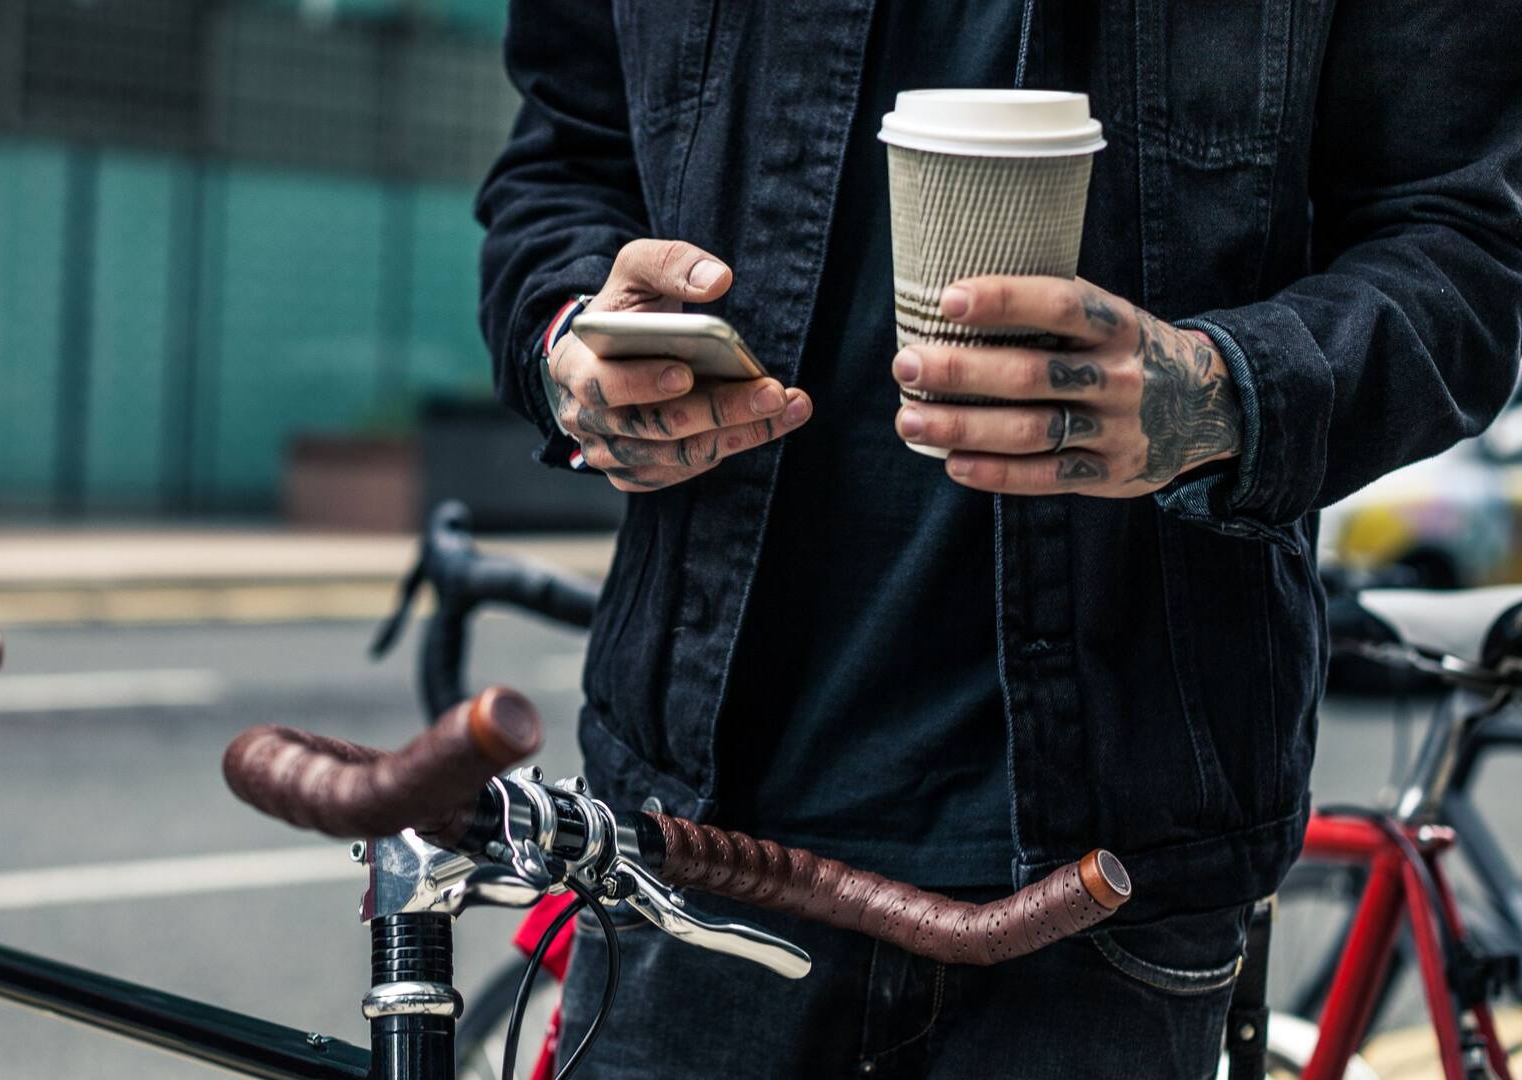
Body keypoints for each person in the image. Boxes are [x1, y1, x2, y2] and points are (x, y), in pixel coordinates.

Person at [475, 2, 1522, 1077]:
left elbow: (1465, 252)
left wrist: (1221, 396)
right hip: (688, 844)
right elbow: (563, 163)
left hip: (1112, 871)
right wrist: (571, 350)